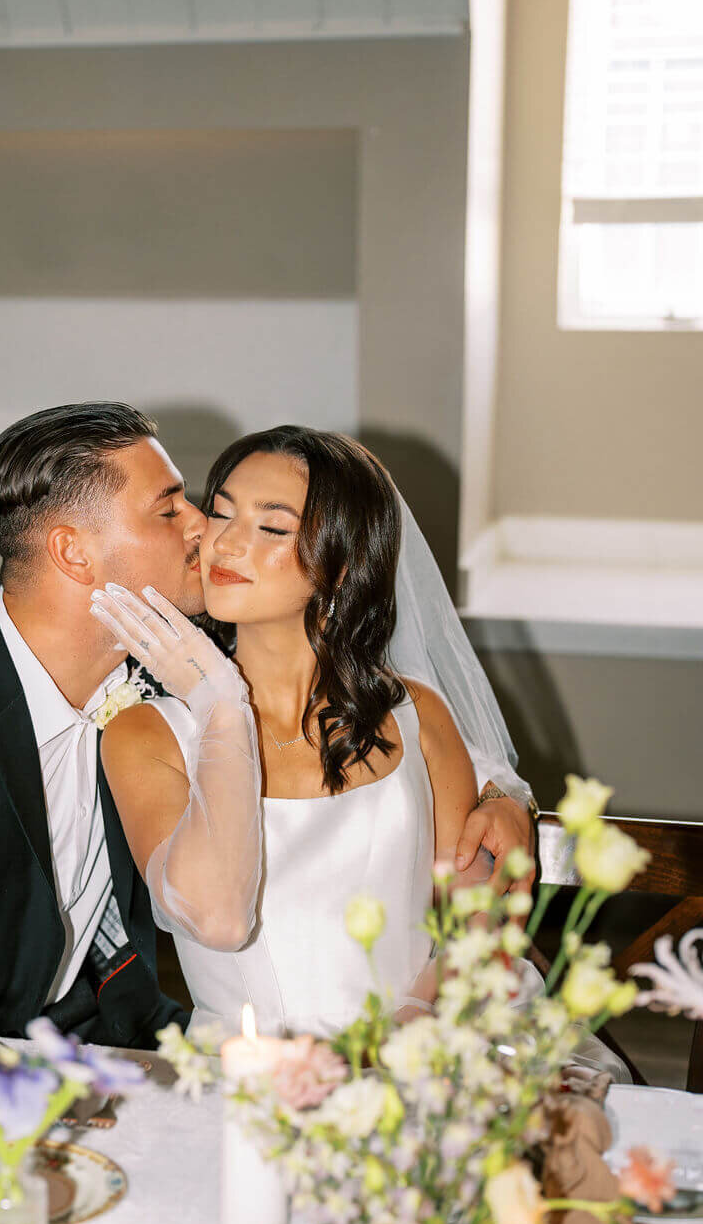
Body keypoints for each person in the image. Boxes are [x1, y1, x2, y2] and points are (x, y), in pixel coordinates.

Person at [0, 406, 532, 1043]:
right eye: (173, 508)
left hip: (130, 1035)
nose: (208, 530)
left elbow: (380, 738)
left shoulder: (159, 664)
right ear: (74, 553)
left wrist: (506, 799)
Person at [92, 427, 524, 1036]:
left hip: (421, 1054)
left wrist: (410, 1027)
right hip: (240, 1083)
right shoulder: (145, 737)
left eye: (272, 528)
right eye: (220, 513)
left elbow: (475, 919)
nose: (227, 544)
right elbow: (214, 918)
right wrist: (219, 703)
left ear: (342, 564)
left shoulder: (417, 716)